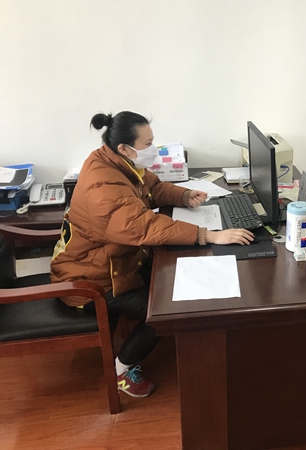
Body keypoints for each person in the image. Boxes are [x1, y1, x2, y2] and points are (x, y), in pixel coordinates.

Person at [50, 111, 254, 398]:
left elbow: (153, 187)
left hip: (119, 261)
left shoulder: (117, 162)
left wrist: (183, 196)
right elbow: (141, 226)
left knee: (180, 276)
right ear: (125, 148)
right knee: (166, 310)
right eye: (147, 144)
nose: (153, 149)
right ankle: (123, 368)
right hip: (94, 280)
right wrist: (207, 235)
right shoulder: (102, 184)